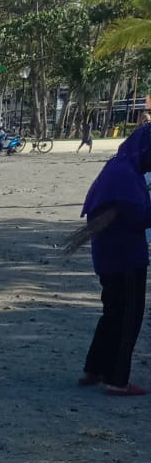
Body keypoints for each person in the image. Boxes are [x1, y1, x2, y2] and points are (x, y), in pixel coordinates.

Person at [76, 124, 151, 395]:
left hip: (107, 254)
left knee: (112, 313)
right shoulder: (127, 175)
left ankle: (95, 368)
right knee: (128, 316)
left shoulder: (118, 167)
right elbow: (140, 215)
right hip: (126, 256)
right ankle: (117, 379)